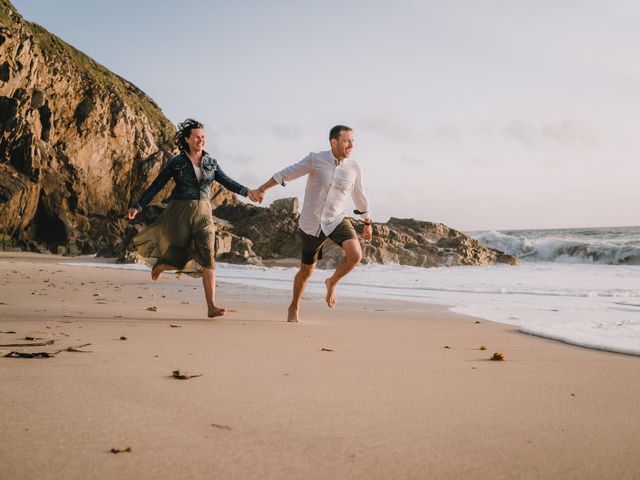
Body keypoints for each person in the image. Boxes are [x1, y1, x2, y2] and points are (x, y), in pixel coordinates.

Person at [126, 118, 261, 318]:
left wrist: (247, 192)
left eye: (203, 137)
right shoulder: (177, 162)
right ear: (187, 139)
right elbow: (157, 185)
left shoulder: (211, 162)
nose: (201, 140)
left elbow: (227, 181)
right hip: (180, 212)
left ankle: (211, 307)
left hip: (205, 214)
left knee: (208, 258)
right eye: (197, 137)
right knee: (182, 255)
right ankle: (162, 265)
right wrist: (138, 206)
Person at [254, 125, 373, 322]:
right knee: (307, 271)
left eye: (353, 140)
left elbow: (359, 195)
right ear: (333, 142)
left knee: (356, 255)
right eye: (346, 140)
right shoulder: (316, 159)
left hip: (336, 219)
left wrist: (367, 222)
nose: (351, 145)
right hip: (312, 222)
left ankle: (332, 282)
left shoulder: (354, 168)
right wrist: (262, 188)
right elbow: (288, 173)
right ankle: (294, 305)